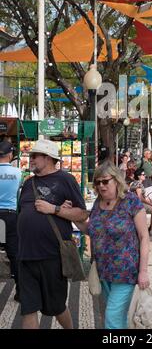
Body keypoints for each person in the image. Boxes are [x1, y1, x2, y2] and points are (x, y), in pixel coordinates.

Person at [17, 139, 88, 329]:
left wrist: (54, 209)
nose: (30, 159)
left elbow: (81, 213)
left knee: (56, 307)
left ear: (47, 158)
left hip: (52, 256)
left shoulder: (66, 180)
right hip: (25, 256)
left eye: (34, 156)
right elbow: (21, 214)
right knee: (28, 309)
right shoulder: (28, 183)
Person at [75, 161, 150, 329]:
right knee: (120, 319)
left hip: (126, 272)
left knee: (111, 319)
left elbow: (144, 237)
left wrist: (143, 271)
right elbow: (92, 230)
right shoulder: (98, 203)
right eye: (97, 182)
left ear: (116, 180)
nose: (101, 186)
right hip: (103, 272)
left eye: (105, 181)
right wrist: (72, 218)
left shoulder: (131, 202)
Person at [0, 140, 21, 301]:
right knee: (14, 254)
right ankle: (20, 291)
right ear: (10, 155)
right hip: (10, 216)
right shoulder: (18, 173)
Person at [130, 169, 152, 236]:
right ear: (139, 176)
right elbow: (140, 197)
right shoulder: (138, 184)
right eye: (143, 174)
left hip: (133, 203)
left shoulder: (134, 183)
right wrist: (150, 203)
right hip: (137, 204)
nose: (145, 176)